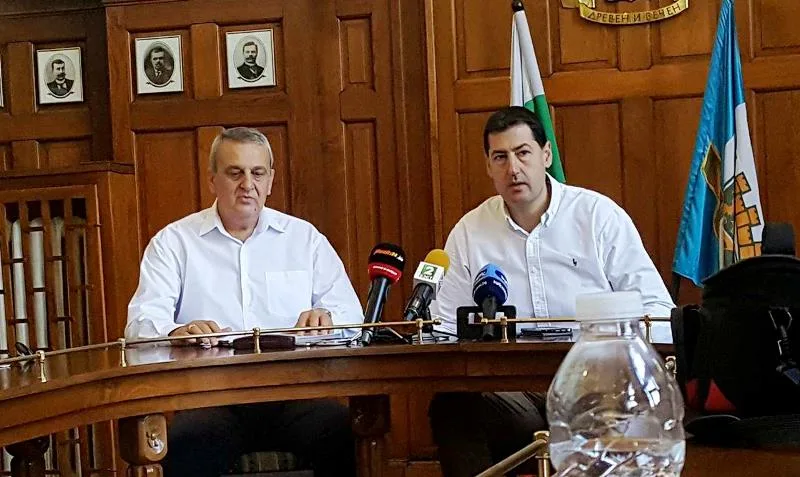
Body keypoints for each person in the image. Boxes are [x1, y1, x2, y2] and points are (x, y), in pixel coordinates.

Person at [428, 106, 675, 477]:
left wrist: (609, 349)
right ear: (488, 166)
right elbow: (444, 327)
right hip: (516, 395)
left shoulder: (596, 216)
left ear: (546, 155)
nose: (513, 169)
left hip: (598, 392)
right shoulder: (469, 232)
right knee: (452, 406)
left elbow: (659, 312)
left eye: (523, 153)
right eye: (500, 157)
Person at [126, 127, 362, 477]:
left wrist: (326, 317)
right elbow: (139, 326)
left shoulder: (304, 239)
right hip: (210, 399)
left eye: (257, 173)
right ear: (213, 181)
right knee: (187, 444)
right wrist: (176, 331)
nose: (247, 184)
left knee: (343, 435)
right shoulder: (174, 242)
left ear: (270, 181)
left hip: (295, 394)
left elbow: (353, 317)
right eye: (235, 173)